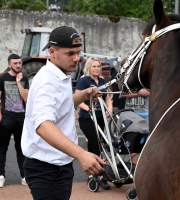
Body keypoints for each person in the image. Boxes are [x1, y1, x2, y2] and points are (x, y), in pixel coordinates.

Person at [21, 26, 106, 200]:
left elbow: (63, 106)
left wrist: (83, 94)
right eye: (70, 53)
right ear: (52, 52)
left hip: (59, 165)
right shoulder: (47, 81)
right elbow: (43, 126)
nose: (76, 58)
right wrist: (81, 154)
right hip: (46, 169)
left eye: (78, 52)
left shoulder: (61, 73)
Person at [75, 57, 113, 190]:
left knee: (94, 144)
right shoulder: (84, 81)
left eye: (98, 66)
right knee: (97, 145)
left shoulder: (102, 81)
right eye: (94, 66)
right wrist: (88, 108)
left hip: (100, 118)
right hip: (87, 118)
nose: (96, 68)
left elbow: (107, 98)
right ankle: (101, 175)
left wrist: (110, 109)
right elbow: (77, 99)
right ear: (89, 68)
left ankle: (92, 176)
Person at [0, 54, 29, 188]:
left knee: (21, 149)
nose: (18, 65)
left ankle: (23, 176)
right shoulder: (2, 78)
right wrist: (0, 117)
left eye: (19, 63)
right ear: (9, 64)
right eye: (15, 63)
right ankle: (1, 176)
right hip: (7, 118)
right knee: (3, 148)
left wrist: (19, 83)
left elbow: (26, 98)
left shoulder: (24, 78)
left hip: (21, 118)